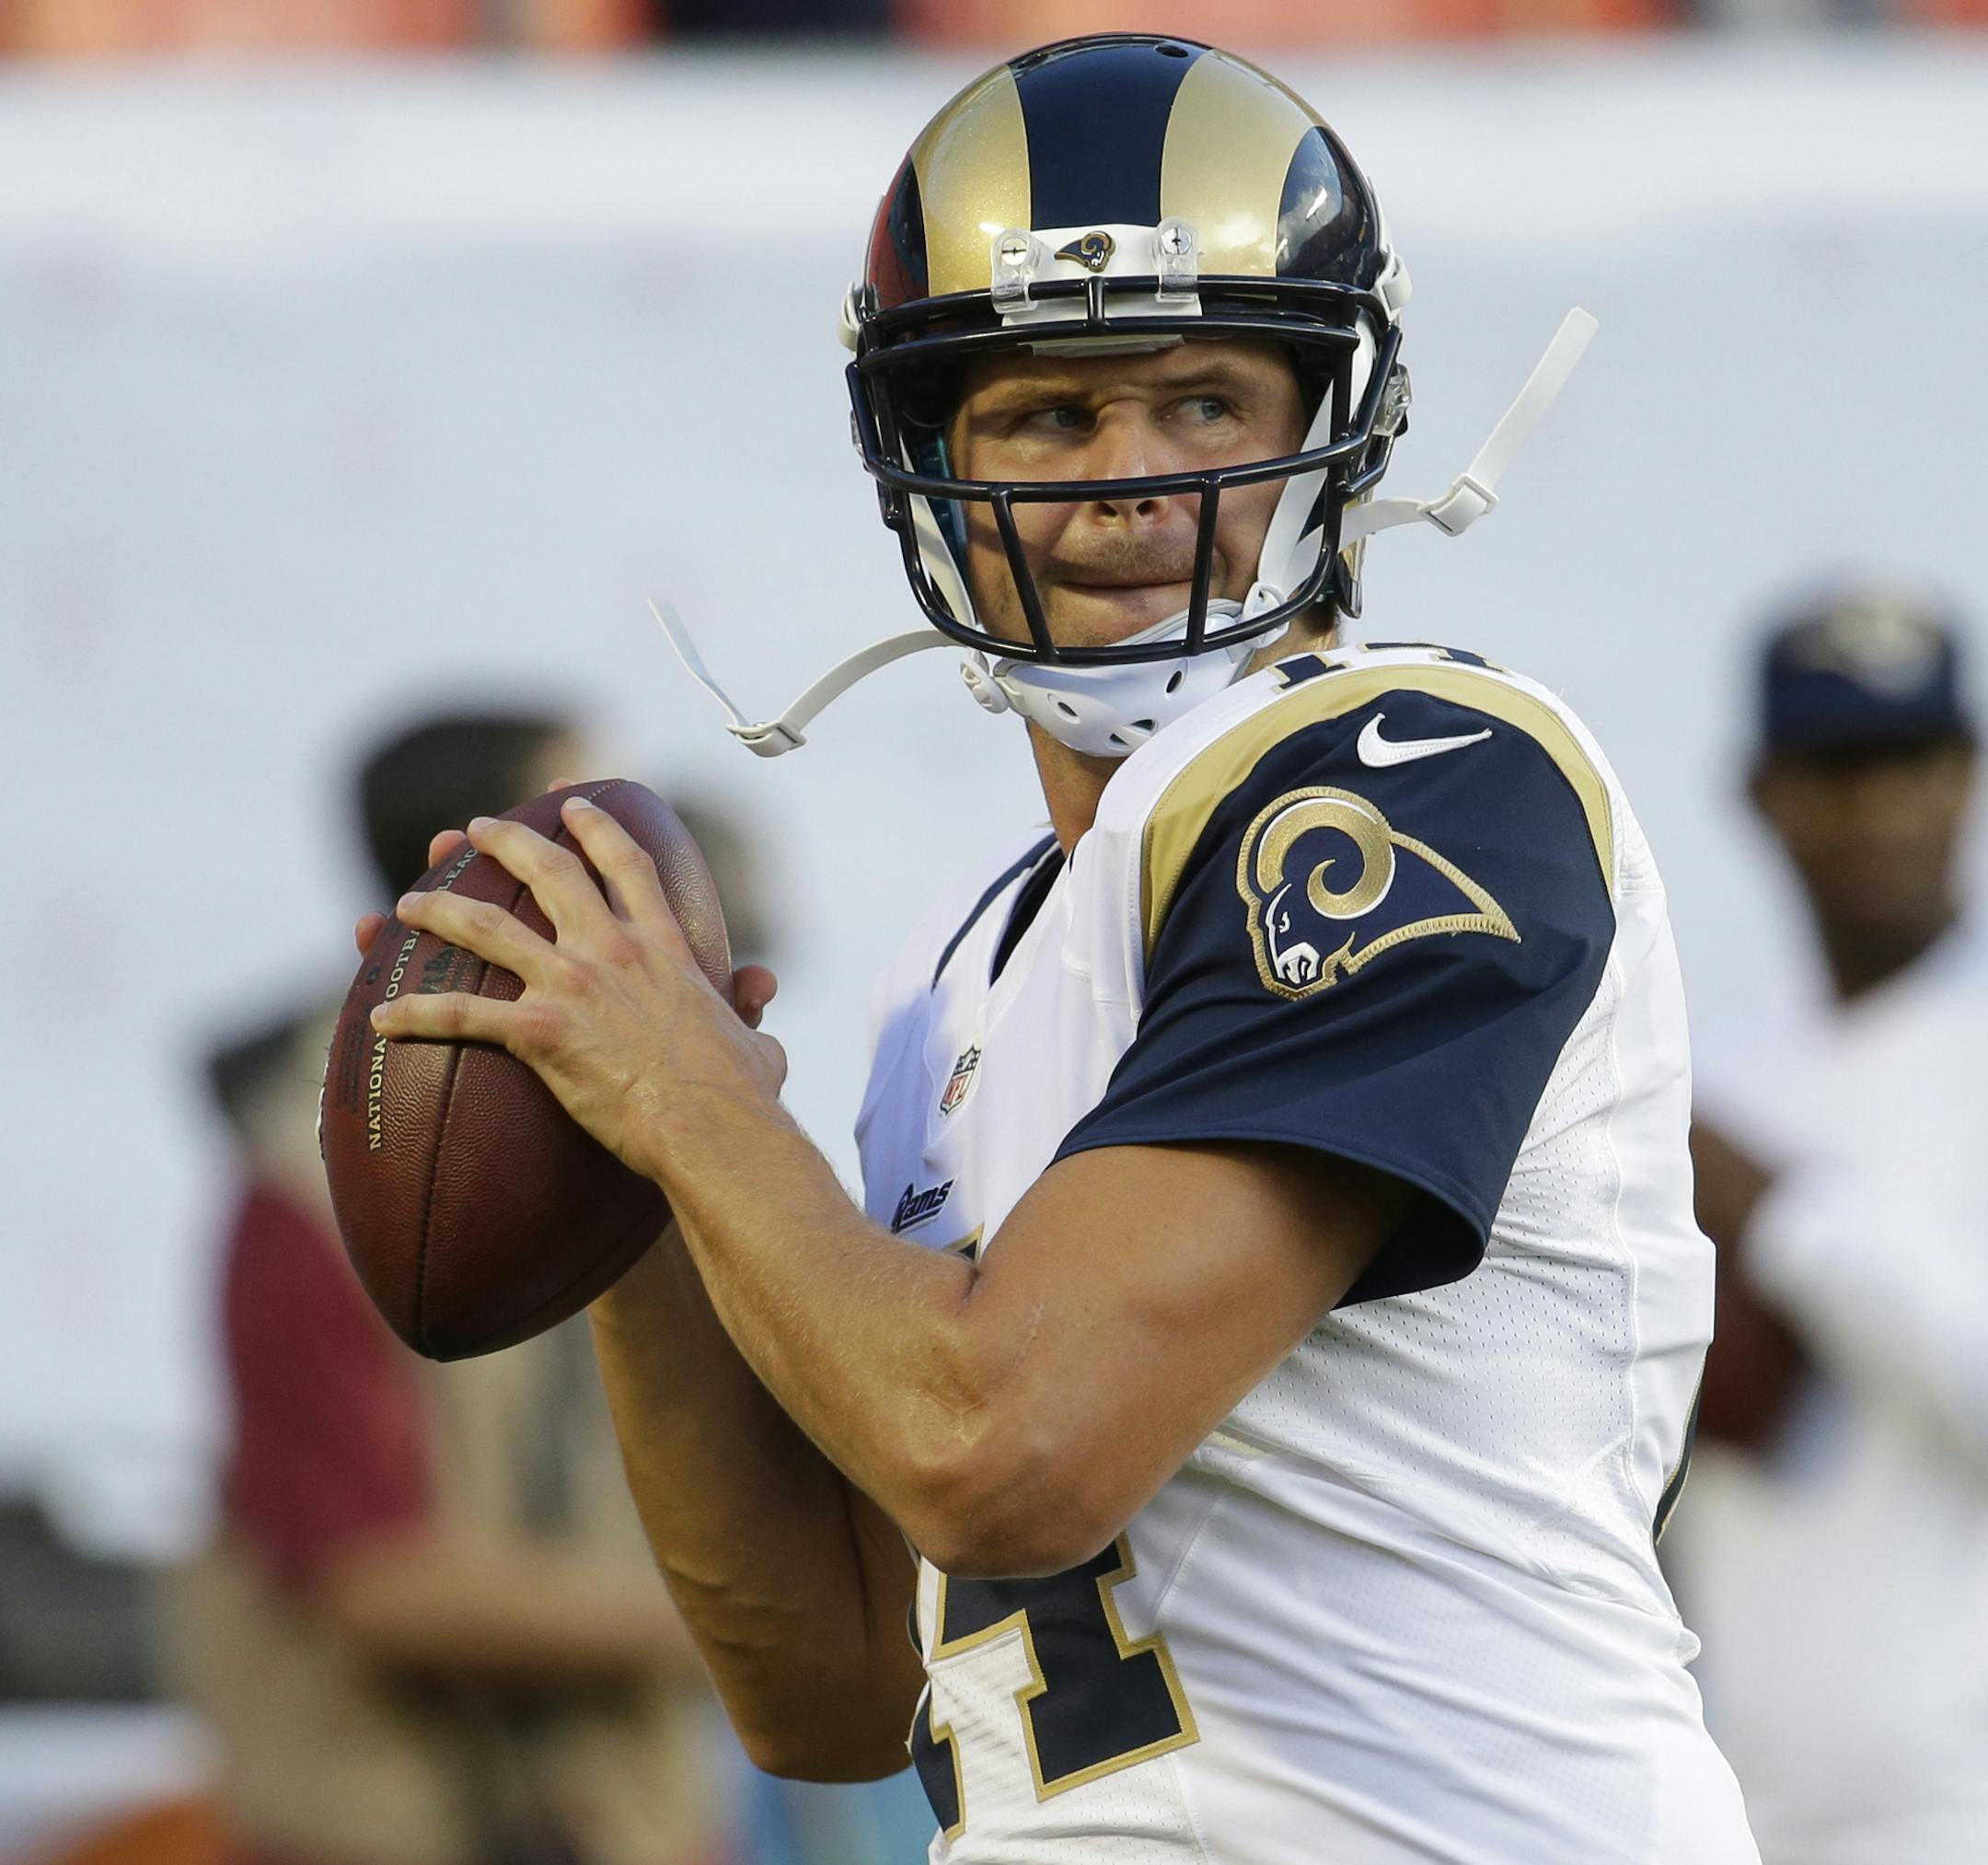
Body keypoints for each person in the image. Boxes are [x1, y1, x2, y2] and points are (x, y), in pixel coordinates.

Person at [355, 37, 1757, 1861]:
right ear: (927, 460)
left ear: (1337, 416)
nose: (1130, 482)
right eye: (1045, 414)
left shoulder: (1415, 775)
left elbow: (1004, 1453)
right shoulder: (968, 964)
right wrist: (634, 1175)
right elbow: (842, 1685)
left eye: (1204, 401)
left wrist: (699, 1105)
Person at [174, 709, 725, 1865]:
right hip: (396, 1831)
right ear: (472, 869)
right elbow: (374, 1580)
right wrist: (741, 1622)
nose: (637, 848)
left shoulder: (653, 1123)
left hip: (629, 1825)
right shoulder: (300, 1190)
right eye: (585, 818)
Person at [1667, 589, 1988, 1863]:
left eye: (1912, 764)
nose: (1879, 811)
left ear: (1966, 775)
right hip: (1741, 1792)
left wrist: (1787, 1220)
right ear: (1762, 791)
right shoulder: (1718, 1077)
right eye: (1836, 771)